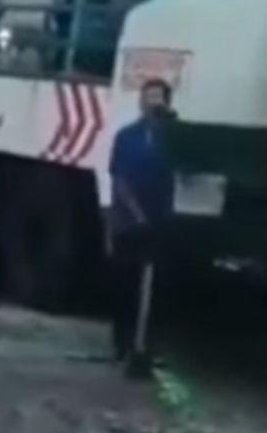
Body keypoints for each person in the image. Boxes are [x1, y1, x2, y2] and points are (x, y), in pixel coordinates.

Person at [107, 77, 177, 379]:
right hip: (129, 222)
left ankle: (147, 346)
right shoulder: (127, 136)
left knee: (156, 289)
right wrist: (136, 213)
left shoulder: (172, 138)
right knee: (124, 284)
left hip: (159, 221)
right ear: (140, 101)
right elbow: (119, 177)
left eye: (158, 97)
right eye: (148, 96)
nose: (152, 102)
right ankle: (122, 344)